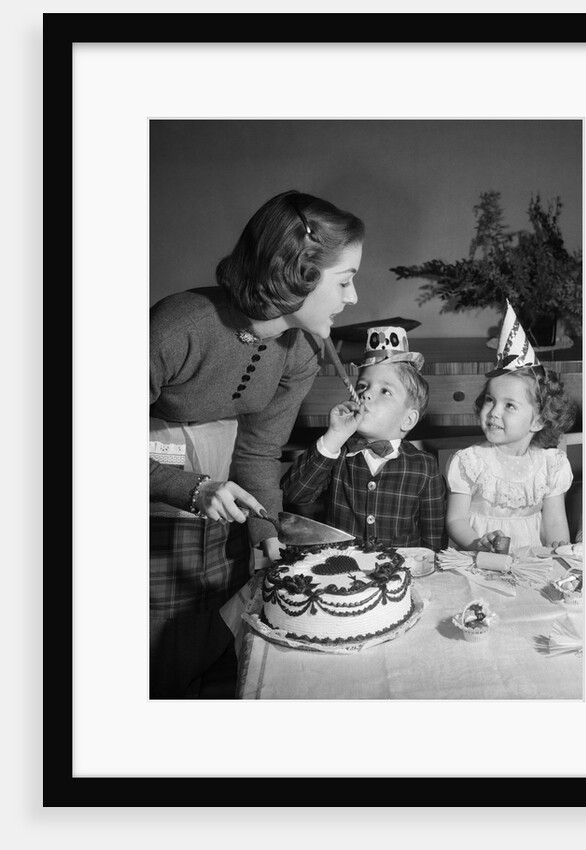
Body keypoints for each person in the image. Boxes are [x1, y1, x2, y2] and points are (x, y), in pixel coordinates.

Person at [149, 189, 365, 697]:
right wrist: (192, 487)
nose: (352, 299)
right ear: (299, 272)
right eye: (346, 281)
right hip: (150, 523)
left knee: (212, 655)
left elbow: (257, 452)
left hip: (221, 525)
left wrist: (266, 529)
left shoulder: (303, 349)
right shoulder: (179, 326)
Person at [281, 326, 447, 551]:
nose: (366, 394)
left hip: (400, 576)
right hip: (341, 571)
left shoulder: (425, 468)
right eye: (362, 386)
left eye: (385, 391)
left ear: (408, 420)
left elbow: (434, 538)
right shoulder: (337, 453)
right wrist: (334, 436)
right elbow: (295, 494)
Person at [445, 300, 577, 554]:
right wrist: (477, 544)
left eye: (510, 406)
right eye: (490, 400)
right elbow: (456, 520)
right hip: (478, 559)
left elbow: (555, 524)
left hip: (530, 562)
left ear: (539, 420)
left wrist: (559, 552)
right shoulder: (470, 462)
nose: (493, 412)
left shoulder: (550, 466)